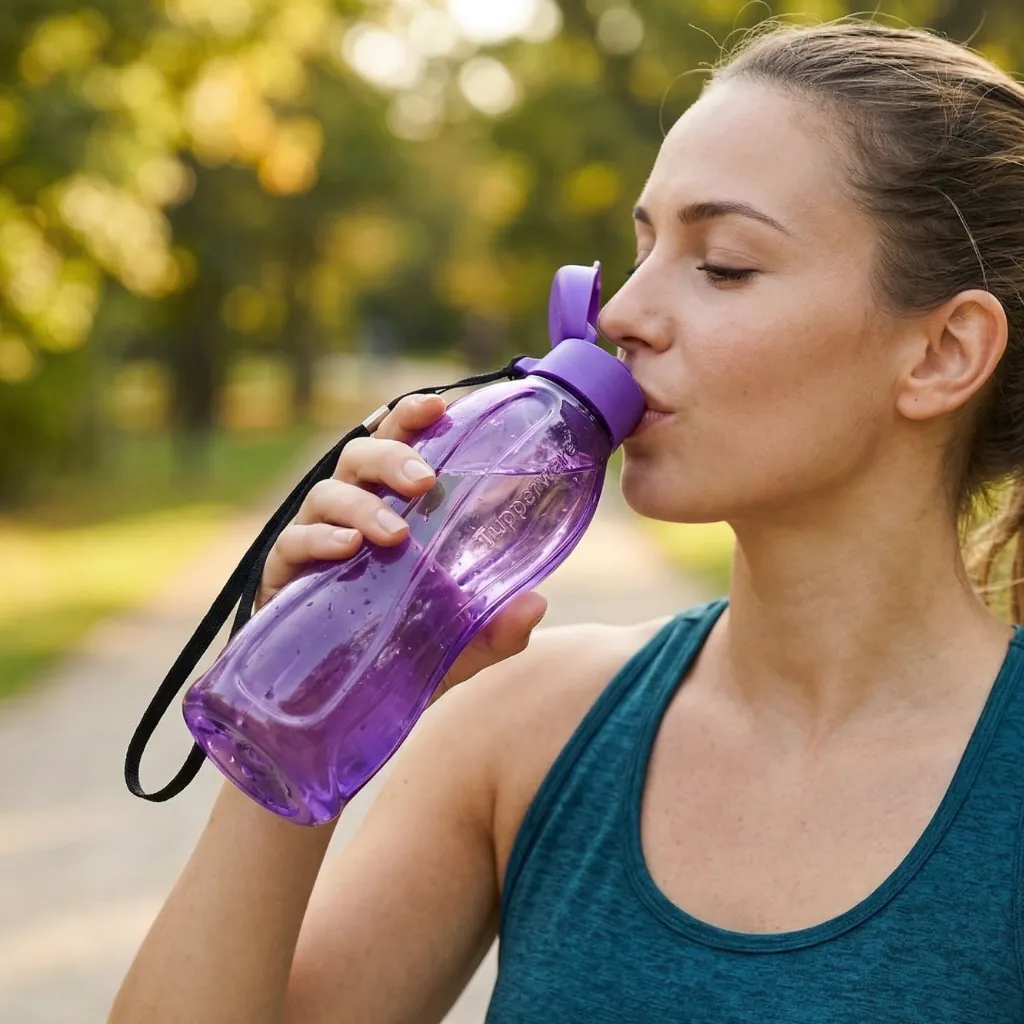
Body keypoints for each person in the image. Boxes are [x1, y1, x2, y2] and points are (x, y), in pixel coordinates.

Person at [110, 18, 1024, 1022]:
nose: (620, 314)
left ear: (943, 353)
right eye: (641, 250)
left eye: (722, 264)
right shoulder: (528, 730)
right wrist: (311, 697)